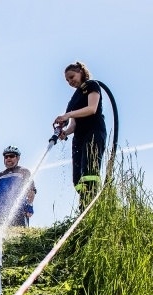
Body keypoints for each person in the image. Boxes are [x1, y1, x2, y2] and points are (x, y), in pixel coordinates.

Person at [52, 61, 107, 207]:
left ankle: (92, 208)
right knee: (77, 179)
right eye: (67, 80)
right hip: (79, 137)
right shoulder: (73, 100)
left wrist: (67, 114)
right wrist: (65, 133)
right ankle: (85, 205)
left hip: (93, 132)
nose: (70, 81)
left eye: (72, 77)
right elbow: (74, 125)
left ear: (81, 72)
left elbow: (92, 109)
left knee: (89, 173)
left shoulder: (92, 85)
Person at [0, 146, 36, 227]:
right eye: (6, 157)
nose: (8, 158)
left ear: (18, 158)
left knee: (20, 237)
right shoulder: (0, 176)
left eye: (12, 156)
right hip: (2, 216)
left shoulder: (24, 171)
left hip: (20, 213)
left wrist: (30, 205)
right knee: (2, 238)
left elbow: (31, 190)